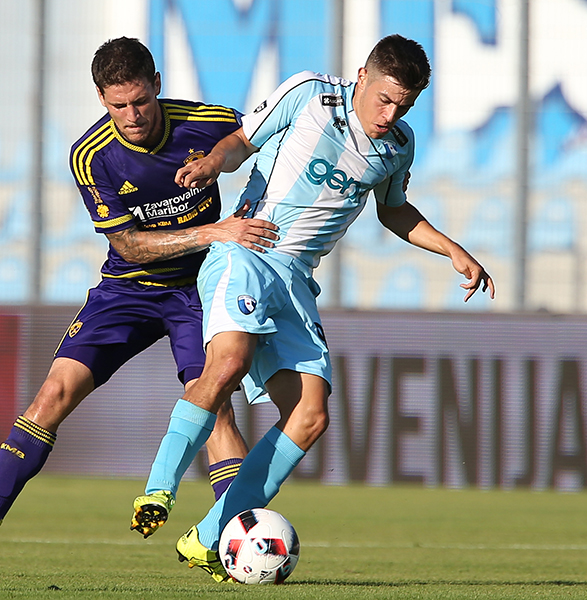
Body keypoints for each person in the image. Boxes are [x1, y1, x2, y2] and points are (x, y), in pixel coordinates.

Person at [132, 34, 495, 582]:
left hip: (297, 281)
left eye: (403, 106)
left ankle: (208, 537)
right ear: (362, 76)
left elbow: (394, 210)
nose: (389, 115)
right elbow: (242, 141)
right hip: (248, 251)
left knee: (310, 416)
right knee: (227, 362)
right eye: (384, 99)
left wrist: (452, 249)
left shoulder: (399, 145)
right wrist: (212, 164)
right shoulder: (309, 93)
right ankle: (159, 489)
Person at [0, 37, 278, 569]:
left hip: (200, 287)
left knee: (214, 404)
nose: (132, 116)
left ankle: (234, 543)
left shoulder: (209, 123)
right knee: (53, 393)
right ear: (101, 98)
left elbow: (271, 147)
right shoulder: (91, 155)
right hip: (127, 288)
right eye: (118, 105)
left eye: (141, 101)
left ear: (157, 86)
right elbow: (129, 245)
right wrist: (214, 231)